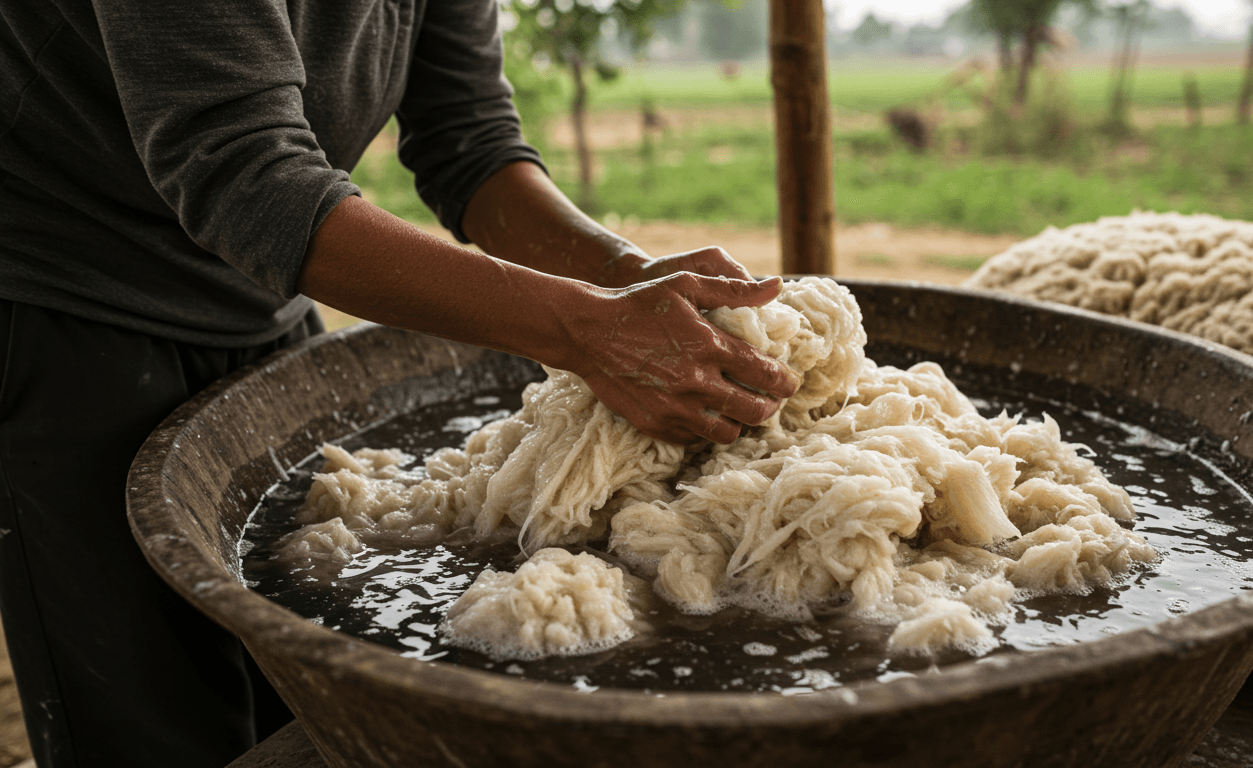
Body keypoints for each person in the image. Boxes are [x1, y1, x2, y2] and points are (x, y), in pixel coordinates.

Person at [0, 1, 795, 766]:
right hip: (68, 303)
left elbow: (470, 141)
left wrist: (624, 279)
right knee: (155, 722)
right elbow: (242, 172)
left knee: (302, 690)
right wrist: (585, 329)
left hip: (260, 291)